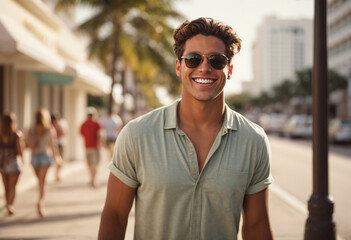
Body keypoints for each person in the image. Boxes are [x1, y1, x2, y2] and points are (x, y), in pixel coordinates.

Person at [98, 17, 274, 240]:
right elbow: (114, 216)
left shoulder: (254, 140)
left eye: (217, 60)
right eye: (193, 59)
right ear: (179, 67)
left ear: (229, 69)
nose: (204, 68)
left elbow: (257, 225)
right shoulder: (137, 135)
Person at [26, 108, 62, 217]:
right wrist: (57, 157)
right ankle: (41, 203)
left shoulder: (31, 129)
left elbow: (28, 144)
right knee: (42, 182)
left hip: (34, 156)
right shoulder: (49, 129)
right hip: (45, 156)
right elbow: (53, 145)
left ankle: (40, 203)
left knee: (40, 181)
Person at [0, 112, 25, 215]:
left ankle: (7, 205)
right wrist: (22, 163)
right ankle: (10, 205)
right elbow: (20, 151)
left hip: (2, 163)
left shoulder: (1, 135)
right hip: (13, 163)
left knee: (6, 187)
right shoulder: (16, 134)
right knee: (12, 187)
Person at [80, 107, 103, 188]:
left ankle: (91, 179)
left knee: (89, 164)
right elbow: (99, 134)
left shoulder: (84, 123)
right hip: (95, 147)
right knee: (94, 164)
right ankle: (94, 181)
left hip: (87, 147)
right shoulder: (96, 123)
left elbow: (81, 133)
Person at [51, 112, 68, 181]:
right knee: (55, 160)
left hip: (60, 144)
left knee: (61, 160)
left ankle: (57, 174)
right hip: (53, 145)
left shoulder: (61, 124)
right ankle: (56, 174)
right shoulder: (50, 126)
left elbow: (64, 133)